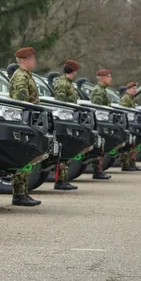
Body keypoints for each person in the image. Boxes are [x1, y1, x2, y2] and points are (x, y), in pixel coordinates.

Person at [8, 47, 42, 207]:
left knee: (27, 159)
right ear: (24, 61)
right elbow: (21, 104)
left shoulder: (27, 76)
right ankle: (19, 194)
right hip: (23, 123)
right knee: (23, 159)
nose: (34, 62)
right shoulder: (21, 77)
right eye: (32, 59)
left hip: (30, 122)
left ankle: (23, 192)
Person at [50, 59, 80, 190]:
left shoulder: (68, 83)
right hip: (63, 119)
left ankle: (63, 179)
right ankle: (60, 181)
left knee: (66, 151)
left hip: (68, 118)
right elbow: (60, 103)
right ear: (73, 71)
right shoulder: (63, 84)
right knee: (63, 151)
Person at [89, 69, 114, 180]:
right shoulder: (98, 91)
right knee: (99, 146)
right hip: (99, 122)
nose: (111, 79)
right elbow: (97, 109)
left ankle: (98, 170)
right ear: (103, 78)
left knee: (101, 146)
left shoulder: (102, 90)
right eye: (109, 77)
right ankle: (97, 171)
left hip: (102, 121)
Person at [119, 82, 141, 172]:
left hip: (131, 123)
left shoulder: (131, 98)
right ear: (128, 89)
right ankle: (125, 165)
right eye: (133, 88)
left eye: (136, 88)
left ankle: (132, 164)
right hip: (127, 124)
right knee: (127, 145)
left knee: (132, 144)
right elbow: (124, 111)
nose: (135, 90)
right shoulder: (126, 98)